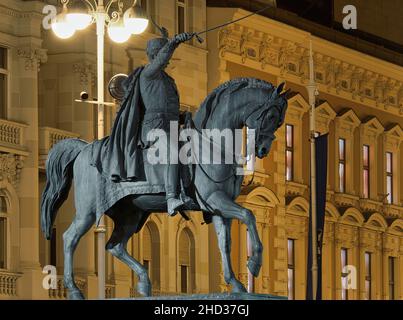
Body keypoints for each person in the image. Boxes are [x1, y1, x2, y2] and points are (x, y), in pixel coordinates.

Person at [140, 32, 195, 215]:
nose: (168, 59)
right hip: (154, 128)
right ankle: (171, 197)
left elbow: (167, 107)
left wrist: (183, 115)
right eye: (164, 54)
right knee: (173, 151)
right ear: (156, 55)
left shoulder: (168, 80)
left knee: (191, 150)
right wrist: (175, 41)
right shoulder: (149, 74)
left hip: (170, 127)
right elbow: (158, 109)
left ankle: (185, 191)